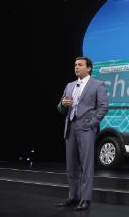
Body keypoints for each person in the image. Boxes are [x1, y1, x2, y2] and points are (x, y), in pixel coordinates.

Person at [56, 56, 109, 211]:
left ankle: (85, 199)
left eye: (80, 65)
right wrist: (62, 104)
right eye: (75, 65)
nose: (76, 67)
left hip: (86, 128)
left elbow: (104, 107)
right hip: (70, 127)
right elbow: (59, 108)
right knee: (71, 166)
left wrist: (92, 123)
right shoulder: (69, 85)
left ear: (89, 68)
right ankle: (73, 196)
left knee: (86, 165)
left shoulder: (98, 85)